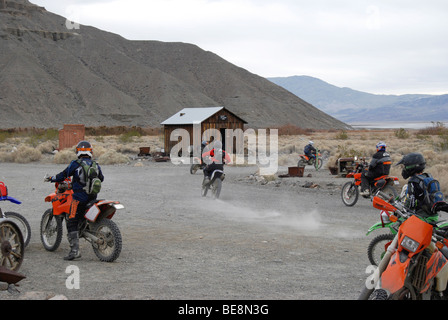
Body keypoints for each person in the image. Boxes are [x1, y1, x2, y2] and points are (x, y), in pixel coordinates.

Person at [45, 141, 104, 260]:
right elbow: (101, 179)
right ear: (90, 152)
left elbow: (63, 175)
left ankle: (75, 251)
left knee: (71, 221)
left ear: (78, 151)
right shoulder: (95, 164)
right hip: (93, 197)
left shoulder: (75, 164)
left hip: (79, 199)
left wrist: (51, 178)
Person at [396, 152, 448, 218]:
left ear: (411, 167)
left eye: (405, 167)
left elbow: (410, 204)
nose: (404, 169)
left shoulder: (413, 182)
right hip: (434, 216)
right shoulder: (428, 177)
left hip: (421, 218)